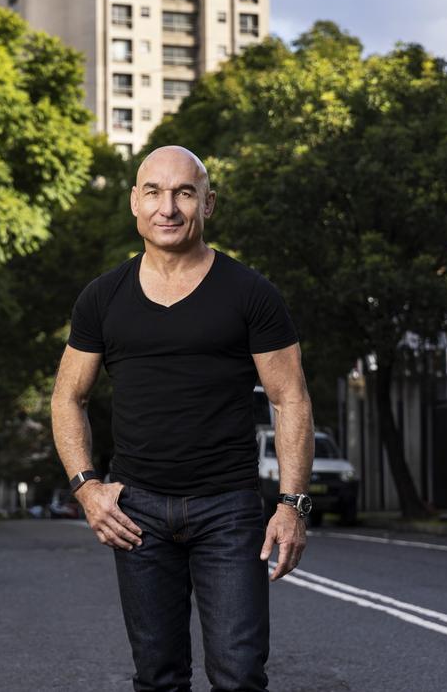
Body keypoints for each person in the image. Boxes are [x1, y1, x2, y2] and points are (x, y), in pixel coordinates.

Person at [51, 145, 314, 692]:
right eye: (154, 192)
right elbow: (66, 397)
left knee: (240, 675)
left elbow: (290, 399)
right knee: (158, 677)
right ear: (134, 203)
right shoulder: (102, 297)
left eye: (184, 193)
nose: (167, 207)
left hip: (229, 510)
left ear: (208, 204)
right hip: (137, 512)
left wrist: (291, 506)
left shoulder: (251, 293)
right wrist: (86, 488)